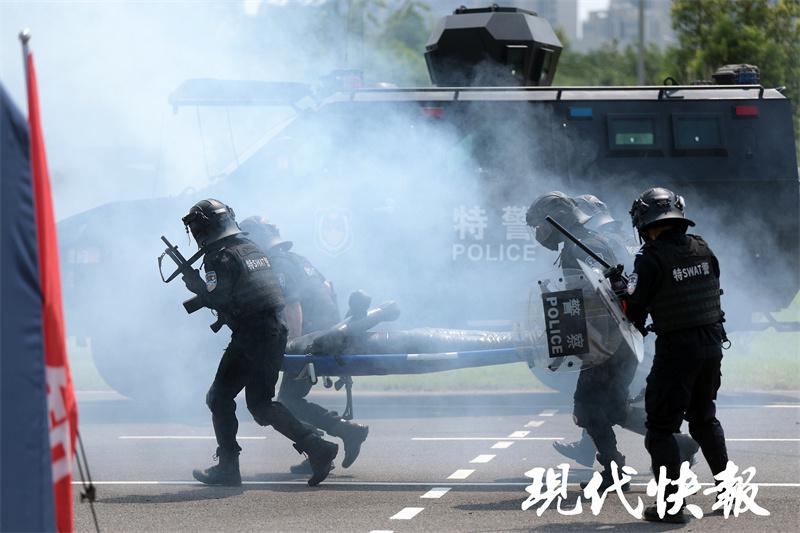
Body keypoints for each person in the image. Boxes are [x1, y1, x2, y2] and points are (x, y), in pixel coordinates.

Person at [526, 191, 697, 491]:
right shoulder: (592, 241)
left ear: (558, 221)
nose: (539, 233)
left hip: (604, 343)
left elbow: (589, 300)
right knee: (615, 408)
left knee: (587, 407)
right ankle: (676, 444)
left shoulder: (581, 248)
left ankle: (614, 468)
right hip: (618, 339)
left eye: (541, 225)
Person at [179, 199, 338, 487]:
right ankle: (318, 447)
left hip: (251, 335)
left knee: (219, 397)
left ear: (204, 228)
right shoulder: (252, 249)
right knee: (261, 404)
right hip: (274, 332)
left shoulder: (218, 257)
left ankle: (228, 467)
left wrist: (196, 285)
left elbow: (220, 298)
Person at [626, 188, 729, 523]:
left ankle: (671, 507)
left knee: (660, 428)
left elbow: (635, 314)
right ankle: (728, 494)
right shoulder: (702, 247)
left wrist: (622, 292)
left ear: (644, 222)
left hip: (678, 350)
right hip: (712, 344)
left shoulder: (650, 258)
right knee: (703, 419)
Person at [240, 216, 369, 474]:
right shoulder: (299, 259)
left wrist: (291, 346)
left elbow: (292, 307)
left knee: (287, 402)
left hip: (310, 341)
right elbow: (328, 289)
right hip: (323, 336)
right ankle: (331, 441)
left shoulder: (277, 264)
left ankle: (339, 437)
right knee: (290, 399)